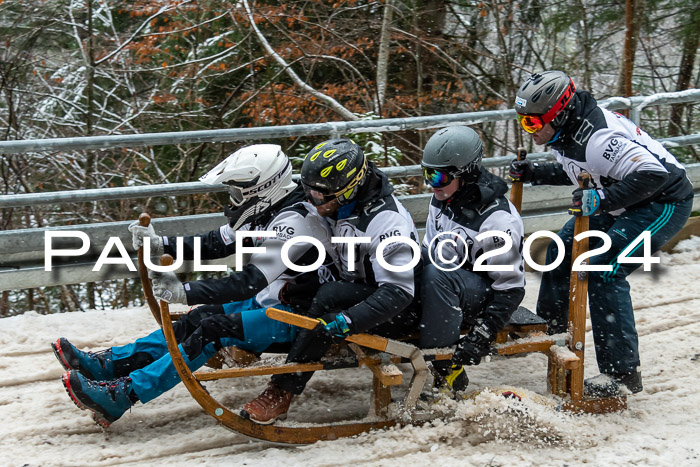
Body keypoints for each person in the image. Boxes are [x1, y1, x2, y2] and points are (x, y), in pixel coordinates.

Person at [53, 144, 339, 427]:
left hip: (302, 317)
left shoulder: (297, 223)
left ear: (263, 189)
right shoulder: (269, 209)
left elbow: (249, 282)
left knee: (213, 331)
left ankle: (124, 394)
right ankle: (112, 365)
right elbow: (217, 242)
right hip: (275, 299)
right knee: (197, 317)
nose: (233, 200)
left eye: (237, 192)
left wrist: (184, 291)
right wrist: (161, 243)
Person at [509, 70, 694, 397]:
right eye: (524, 122)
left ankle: (622, 375)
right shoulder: (564, 131)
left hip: (661, 202)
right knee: (561, 251)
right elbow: (583, 171)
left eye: (533, 124)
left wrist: (603, 200)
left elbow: (654, 175)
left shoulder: (599, 139)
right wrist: (535, 172)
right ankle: (552, 333)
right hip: (622, 200)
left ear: (559, 113)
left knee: (604, 271)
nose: (529, 131)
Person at [240, 138, 423, 424]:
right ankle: (243, 336)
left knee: (329, 298)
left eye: (320, 195)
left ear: (349, 190)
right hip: (359, 287)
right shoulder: (336, 203)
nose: (312, 199)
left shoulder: (387, 221)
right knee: (307, 284)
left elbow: (398, 293)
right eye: (309, 191)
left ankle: (282, 390)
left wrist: (350, 320)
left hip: (400, 307)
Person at [419, 126, 526, 395]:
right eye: (428, 174)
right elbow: (427, 251)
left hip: (485, 295)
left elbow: (511, 288)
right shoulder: (442, 199)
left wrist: (483, 334)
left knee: (436, 276)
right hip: (448, 285)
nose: (433, 184)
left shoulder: (498, 221)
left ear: (465, 174)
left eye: (440, 176)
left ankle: (444, 367)